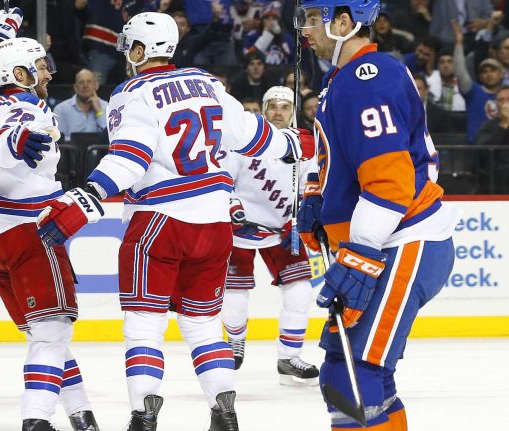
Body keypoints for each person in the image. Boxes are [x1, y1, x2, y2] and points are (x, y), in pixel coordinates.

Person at [36, 12, 314, 431]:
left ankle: (144, 414)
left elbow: (130, 158)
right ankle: (224, 412)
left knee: (144, 325)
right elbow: (253, 135)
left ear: (140, 49)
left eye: (130, 46)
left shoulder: (131, 93)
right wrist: (293, 142)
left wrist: (88, 194)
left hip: (159, 222)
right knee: (204, 325)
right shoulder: (207, 83)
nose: (127, 54)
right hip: (215, 224)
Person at [296, 0, 460, 429]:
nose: (305, 30)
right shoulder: (346, 78)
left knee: (354, 379)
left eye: (313, 19)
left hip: (402, 240)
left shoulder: (365, 80)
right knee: (354, 375)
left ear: (345, 22)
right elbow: (344, 158)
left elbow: (389, 181)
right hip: (392, 241)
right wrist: (320, 194)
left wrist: (361, 252)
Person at [0, 36, 100, 431]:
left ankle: (82, 417)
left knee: (48, 337)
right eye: (40, 67)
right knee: (52, 333)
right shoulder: (25, 108)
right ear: (19, 73)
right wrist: (16, 143)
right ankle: (36, 420)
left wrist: (1, 32)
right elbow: (8, 140)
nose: (48, 74)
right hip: (28, 231)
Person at [220, 85, 319, 385]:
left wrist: (303, 216)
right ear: (263, 110)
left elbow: (310, 185)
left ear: (293, 112)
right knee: (235, 294)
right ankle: (235, 342)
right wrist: (233, 207)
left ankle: (288, 357)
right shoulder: (244, 140)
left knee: (300, 290)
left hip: (283, 231)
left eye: (285, 107)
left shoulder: (303, 145)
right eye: (272, 106)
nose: (278, 111)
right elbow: (223, 179)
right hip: (241, 230)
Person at [53, 68, 108, 141]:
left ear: (96, 85)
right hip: (71, 148)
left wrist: (99, 112)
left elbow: (111, 136)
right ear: (75, 88)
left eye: (89, 81)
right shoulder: (61, 110)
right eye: (81, 82)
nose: (85, 86)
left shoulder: (107, 107)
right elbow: (59, 140)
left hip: (100, 149)